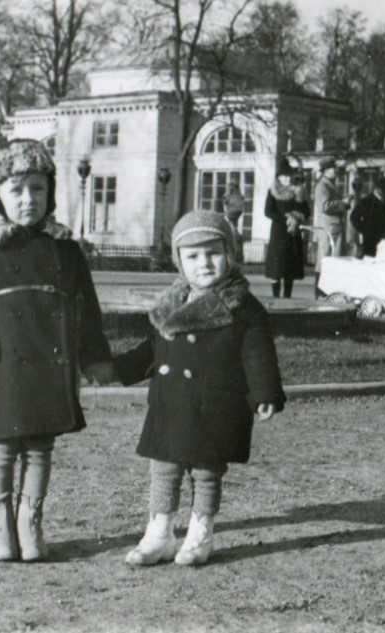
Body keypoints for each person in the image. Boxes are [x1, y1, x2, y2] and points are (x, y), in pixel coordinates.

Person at [0, 139, 112, 563]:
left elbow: (85, 308)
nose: (28, 199)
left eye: (37, 189)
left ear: (50, 193)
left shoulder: (65, 249)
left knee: (40, 447)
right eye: (17, 189)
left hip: (50, 363)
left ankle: (30, 524)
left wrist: (95, 357)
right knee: (1, 446)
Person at [105, 210, 286, 567]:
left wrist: (264, 393)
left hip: (216, 403)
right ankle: (159, 533)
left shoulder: (242, 306)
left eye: (213, 253)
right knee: (164, 468)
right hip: (171, 404)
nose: (204, 263)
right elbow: (153, 350)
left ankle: (201, 531)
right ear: (180, 263)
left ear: (230, 254)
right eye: (192, 256)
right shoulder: (171, 304)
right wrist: (116, 368)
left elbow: (258, 354)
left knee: (206, 470)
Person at [263, 160, 307, 298]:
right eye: (283, 176)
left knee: (290, 269)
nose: (286, 179)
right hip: (278, 233)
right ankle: (275, 296)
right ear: (278, 177)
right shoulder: (272, 191)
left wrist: (297, 217)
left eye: (288, 176)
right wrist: (286, 219)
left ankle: (288, 296)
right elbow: (268, 211)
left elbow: (306, 211)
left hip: (293, 234)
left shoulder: (299, 191)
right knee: (277, 269)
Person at [313, 157, 349, 298]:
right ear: (326, 170)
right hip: (328, 229)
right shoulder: (322, 186)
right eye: (334, 168)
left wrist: (344, 203)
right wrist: (342, 203)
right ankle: (320, 292)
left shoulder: (329, 184)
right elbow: (324, 206)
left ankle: (325, 292)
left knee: (331, 260)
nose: (336, 171)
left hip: (332, 228)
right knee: (325, 259)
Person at [349, 176, 385, 258]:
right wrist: (365, 230)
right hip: (370, 240)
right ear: (378, 188)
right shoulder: (366, 201)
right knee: (369, 263)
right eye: (384, 191)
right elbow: (353, 217)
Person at [345, 177, 365, 258]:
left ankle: (356, 254)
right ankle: (354, 255)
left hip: (356, 219)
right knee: (354, 238)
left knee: (356, 239)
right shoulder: (354, 197)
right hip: (353, 220)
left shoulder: (358, 197)